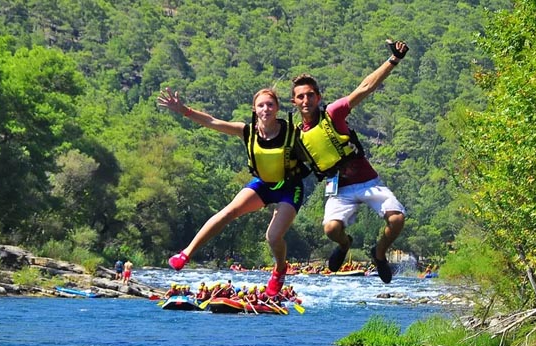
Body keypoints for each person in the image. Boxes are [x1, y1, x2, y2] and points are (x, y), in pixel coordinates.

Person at [157, 86, 309, 296]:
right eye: (261, 105)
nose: (266, 109)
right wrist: (184, 110)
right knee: (228, 212)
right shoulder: (247, 131)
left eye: (270, 105)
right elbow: (212, 122)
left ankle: (280, 269)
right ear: (254, 109)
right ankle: (186, 253)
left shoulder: (292, 132)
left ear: (277, 108)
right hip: (263, 185)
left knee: (273, 237)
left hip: (290, 187)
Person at [290, 39, 408, 284]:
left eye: (310, 95)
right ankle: (345, 245)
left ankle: (379, 253)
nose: (306, 100)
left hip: (369, 182)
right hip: (339, 190)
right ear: (294, 102)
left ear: (318, 97)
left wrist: (393, 60)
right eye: (300, 97)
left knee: (397, 219)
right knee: (331, 229)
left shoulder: (333, 113)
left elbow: (365, 88)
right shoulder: (296, 135)